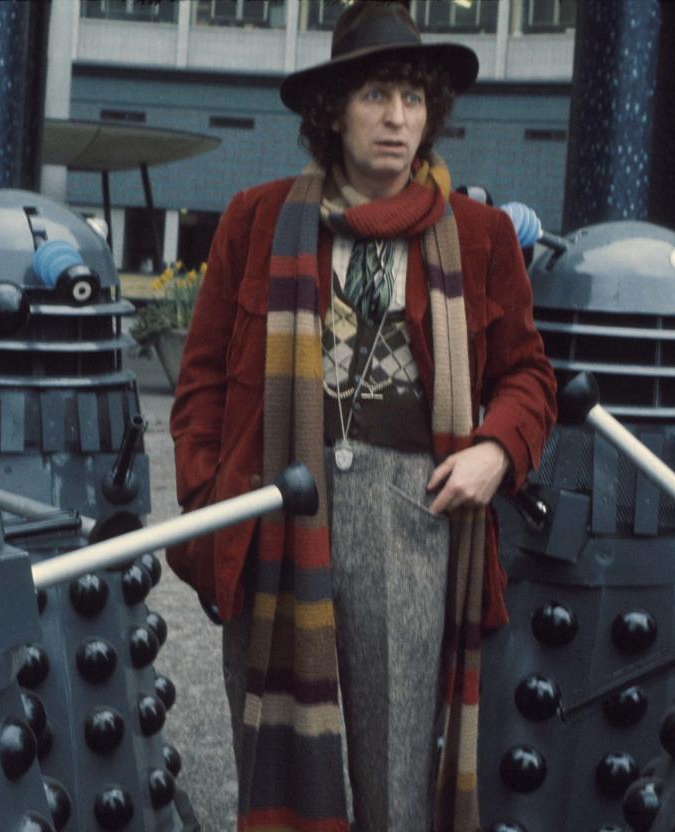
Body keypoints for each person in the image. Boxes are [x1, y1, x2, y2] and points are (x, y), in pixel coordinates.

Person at [168, 3, 556, 830]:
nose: (397, 119)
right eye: (378, 96)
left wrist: (498, 449)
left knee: (394, 774)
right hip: (279, 510)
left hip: (414, 516)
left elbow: (529, 375)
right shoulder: (257, 219)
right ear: (333, 112)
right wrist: (210, 506)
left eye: (413, 100)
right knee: (277, 758)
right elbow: (199, 382)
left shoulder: (481, 237)